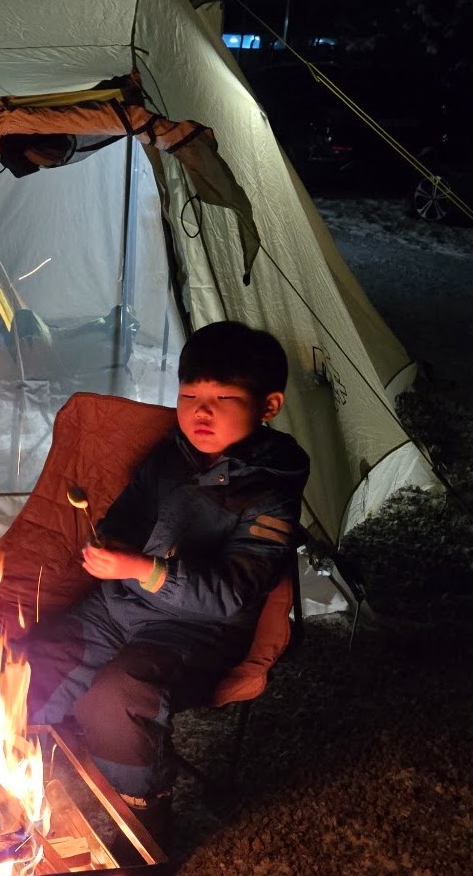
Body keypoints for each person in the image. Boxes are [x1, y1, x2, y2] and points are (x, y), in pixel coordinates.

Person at [23, 320, 310, 836]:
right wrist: (110, 541)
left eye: (223, 396)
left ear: (268, 406)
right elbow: (129, 516)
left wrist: (143, 568)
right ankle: (10, 771)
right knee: (27, 662)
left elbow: (232, 593)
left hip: (196, 631)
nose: (201, 410)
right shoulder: (170, 456)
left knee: (114, 699)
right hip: (118, 608)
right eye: (189, 393)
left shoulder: (269, 493)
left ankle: (146, 812)